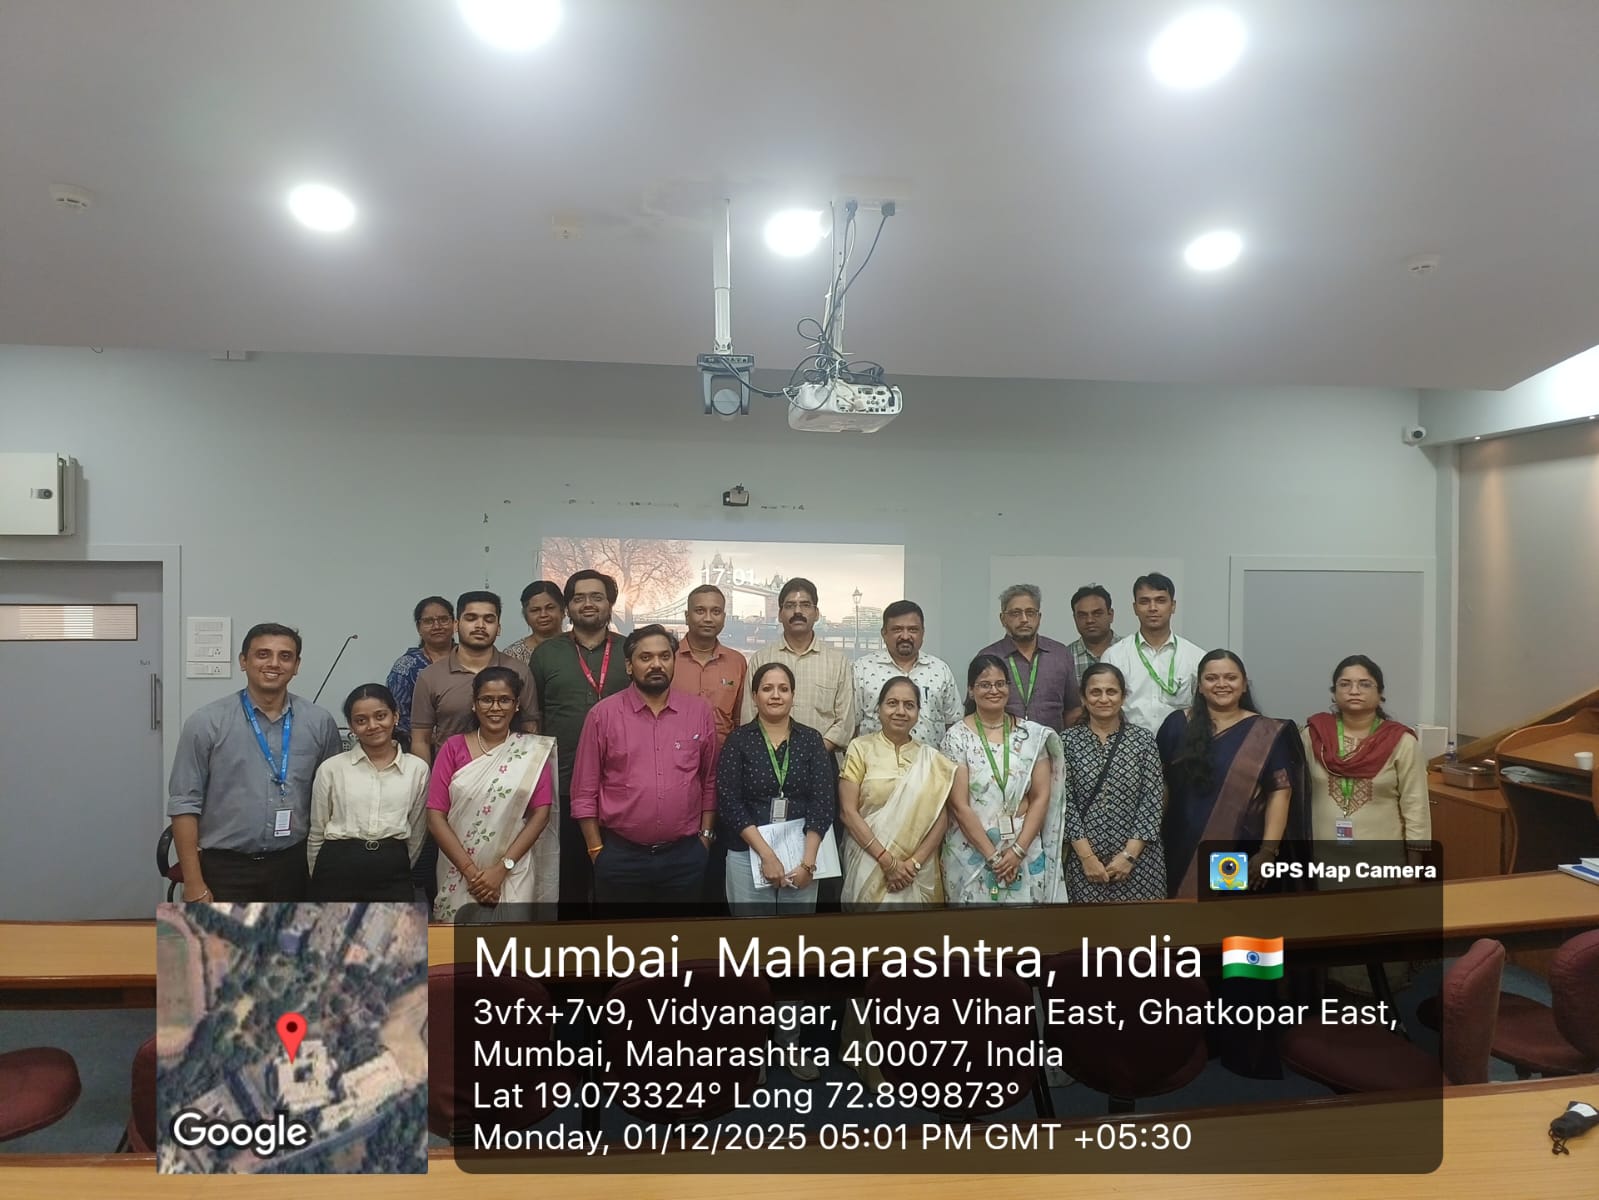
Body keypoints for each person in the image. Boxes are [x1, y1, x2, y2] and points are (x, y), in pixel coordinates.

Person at [167, 623, 343, 901]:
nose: (274, 663)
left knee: (293, 934)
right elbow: (184, 803)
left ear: (296, 666)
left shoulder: (319, 722)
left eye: (285, 656)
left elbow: (332, 799)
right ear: (243, 661)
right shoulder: (206, 722)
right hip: (225, 868)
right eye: (263, 654)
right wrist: (193, 882)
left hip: (294, 866)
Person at [571, 625, 720, 907]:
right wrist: (596, 850)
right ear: (629, 666)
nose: (656, 664)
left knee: (680, 935)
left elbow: (709, 780)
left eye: (664, 656)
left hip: (685, 858)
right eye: (645, 657)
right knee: (624, 935)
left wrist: (706, 838)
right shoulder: (603, 715)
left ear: (674, 661)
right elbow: (584, 792)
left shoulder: (698, 711)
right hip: (620, 858)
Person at [1157, 649, 1307, 899]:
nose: (1221, 684)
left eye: (1230, 677)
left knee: (1226, 914)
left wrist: (1267, 851)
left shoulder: (1266, 732)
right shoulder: (1176, 724)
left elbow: (1280, 793)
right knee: (1178, 917)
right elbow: (1159, 786)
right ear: (1200, 686)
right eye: (1211, 678)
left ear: (1244, 684)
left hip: (1235, 846)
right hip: (1177, 844)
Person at [531, 569, 630, 912]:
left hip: (623, 784)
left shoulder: (630, 651)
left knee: (616, 878)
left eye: (597, 597)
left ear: (610, 604)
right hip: (564, 781)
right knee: (569, 876)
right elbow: (533, 718)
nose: (588, 604)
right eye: (579, 598)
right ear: (568, 607)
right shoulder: (546, 654)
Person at [426, 667, 558, 922]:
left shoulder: (532, 752)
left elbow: (540, 815)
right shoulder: (453, 748)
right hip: (458, 869)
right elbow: (435, 816)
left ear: (516, 705)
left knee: (509, 944)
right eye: (487, 699)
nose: (495, 707)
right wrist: (471, 873)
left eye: (504, 700)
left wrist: (501, 869)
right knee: (458, 945)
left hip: (513, 870)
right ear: (474, 704)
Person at [940, 655, 1067, 905]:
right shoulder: (957, 737)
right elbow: (959, 805)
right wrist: (993, 857)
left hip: (1024, 848)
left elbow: (1041, 796)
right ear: (971, 690)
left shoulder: (1031, 735)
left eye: (1000, 684)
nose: (994, 690)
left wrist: (1018, 851)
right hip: (971, 852)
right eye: (985, 685)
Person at [718, 663, 837, 915]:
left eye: (783, 689)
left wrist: (808, 864)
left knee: (795, 935)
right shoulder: (738, 740)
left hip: (801, 854)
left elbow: (823, 803)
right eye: (767, 689)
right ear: (754, 696)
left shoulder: (811, 739)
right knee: (751, 934)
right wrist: (767, 856)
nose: (775, 695)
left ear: (793, 695)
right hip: (747, 852)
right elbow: (729, 803)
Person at [838, 678, 956, 909]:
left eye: (909, 705)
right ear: (879, 709)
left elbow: (941, 818)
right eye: (892, 703)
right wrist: (888, 862)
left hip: (918, 870)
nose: (900, 711)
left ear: (918, 712)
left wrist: (913, 864)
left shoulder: (932, 759)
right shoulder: (860, 748)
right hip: (868, 861)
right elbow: (848, 812)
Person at [1303, 655, 1430, 865]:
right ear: (1334, 693)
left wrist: (1413, 870)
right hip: (1320, 860)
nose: (1354, 691)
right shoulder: (1314, 736)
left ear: (1380, 694)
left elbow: (1416, 806)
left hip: (1383, 862)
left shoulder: (1401, 741)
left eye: (1365, 684)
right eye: (1345, 684)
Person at [306, 684, 430, 901]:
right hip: (336, 868)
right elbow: (317, 830)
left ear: (395, 716)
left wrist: (396, 862)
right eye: (361, 720)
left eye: (380, 716)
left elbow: (418, 832)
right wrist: (317, 875)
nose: (372, 726)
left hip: (393, 871)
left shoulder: (417, 769)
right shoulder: (332, 768)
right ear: (351, 726)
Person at [1062, 663, 1168, 903]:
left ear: (1123, 696)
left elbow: (1152, 802)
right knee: (1088, 926)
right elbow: (1065, 804)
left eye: (1111, 691)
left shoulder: (1142, 740)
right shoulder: (1067, 742)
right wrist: (1088, 858)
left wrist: (1128, 856)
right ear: (1083, 698)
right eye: (1095, 692)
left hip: (1141, 862)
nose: (1103, 699)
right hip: (1086, 865)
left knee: (1142, 925)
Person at [409, 590, 538, 764]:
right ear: (456, 625)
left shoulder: (519, 672)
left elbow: (530, 730)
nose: (480, 626)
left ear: (499, 628)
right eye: (471, 618)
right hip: (451, 774)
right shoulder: (431, 676)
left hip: (508, 775)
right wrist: (428, 779)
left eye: (489, 620)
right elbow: (420, 740)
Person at [749, 578, 856, 753]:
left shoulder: (838, 662)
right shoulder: (760, 660)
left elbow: (845, 722)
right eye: (790, 606)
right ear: (780, 614)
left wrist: (814, 753)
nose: (798, 611)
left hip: (823, 758)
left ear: (817, 613)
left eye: (805, 605)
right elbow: (749, 715)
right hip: (767, 761)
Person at [1100, 573, 1204, 735]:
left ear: (1173, 606)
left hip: (1181, 744)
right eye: (1144, 601)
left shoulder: (1195, 657)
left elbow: (1202, 709)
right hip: (1128, 744)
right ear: (1135, 608)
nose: (1153, 608)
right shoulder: (1114, 656)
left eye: (1161, 600)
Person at [853, 600, 962, 746]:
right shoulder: (862, 668)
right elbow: (852, 725)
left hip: (929, 759)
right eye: (897, 629)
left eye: (913, 630)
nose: (905, 636)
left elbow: (954, 724)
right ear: (884, 633)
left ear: (923, 633)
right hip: (874, 759)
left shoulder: (940, 670)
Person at [979, 585, 1083, 731]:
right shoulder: (988, 657)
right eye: (1015, 613)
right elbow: (974, 710)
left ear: (1039, 617)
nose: (1024, 619)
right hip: (1001, 743)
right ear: (1003, 619)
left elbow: (1073, 709)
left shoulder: (1060, 655)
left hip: (1051, 743)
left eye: (1030, 612)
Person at [672, 584, 749, 745]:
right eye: (700, 611)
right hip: (673, 755)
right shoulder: (668, 659)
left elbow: (740, 719)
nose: (708, 618)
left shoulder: (737, 662)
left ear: (724, 617)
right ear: (687, 616)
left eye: (716, 612)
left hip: (724, 755)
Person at [386, 596, 455, 748]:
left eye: (443, 619)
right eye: (429, 621)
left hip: (470, 747)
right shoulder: (406, 667)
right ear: (418, 627)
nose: (437, 626)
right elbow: (397, 715)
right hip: (419, 747)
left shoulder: (470, 659)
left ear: (454, 623)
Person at [503, 580, 566, 664]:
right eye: (535, 610)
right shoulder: (513, 656)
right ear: (526, 615)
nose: (543, 615)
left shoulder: (577, 648)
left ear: (562, 611)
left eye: (550, 608)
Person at [1065, 585, 1117, 684]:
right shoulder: (1065, 658)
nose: (1089, 620)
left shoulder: (1131, 650)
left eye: (1097, 613)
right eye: (1082, 615)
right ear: (1075, 618)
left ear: (1110, 615)